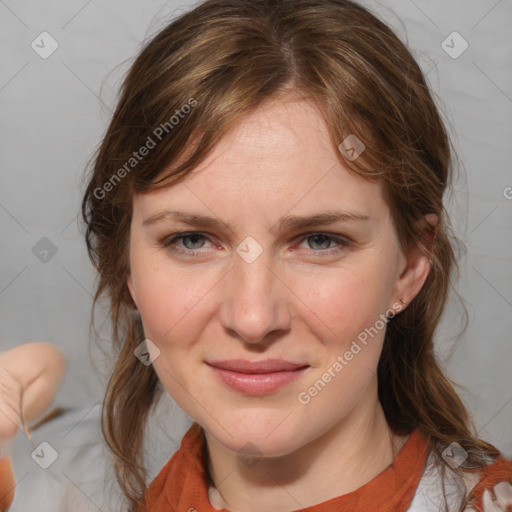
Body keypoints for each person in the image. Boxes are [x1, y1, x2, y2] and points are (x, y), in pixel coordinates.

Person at [2, 0, 512, 511]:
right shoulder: (43, 487)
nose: (252, 317)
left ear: (409, 266)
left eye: (318, 240)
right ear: (126, 265)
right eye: (192, 240)